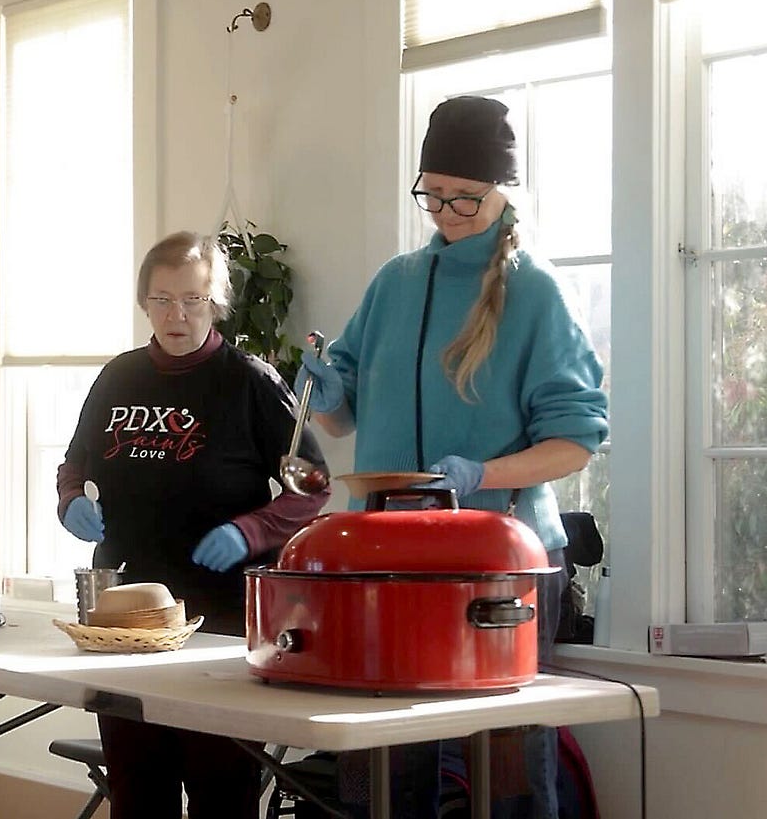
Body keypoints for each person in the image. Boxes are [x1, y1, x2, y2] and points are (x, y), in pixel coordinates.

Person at [296, 95, 610, 819]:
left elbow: (577, 439)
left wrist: (479, 475)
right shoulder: (393, 283)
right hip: (388, 564)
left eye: (464, 197)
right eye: (432, 194)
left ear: (505, 189)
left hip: (497, 563)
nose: (445, 211)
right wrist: (328, 387)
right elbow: (343, 422)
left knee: (508, 780)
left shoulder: (537, 292)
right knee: (381, 776)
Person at [57, 231, 330, 819]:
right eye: (161, 300)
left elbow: (313, 488)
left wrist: (250, 531)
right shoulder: (117, 379)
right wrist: (71, 500)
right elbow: (74, 464)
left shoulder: (250, 382)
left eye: (192, 300)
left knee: (220, 790)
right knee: (137, 790)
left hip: (222, 621)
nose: (176, 315)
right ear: (143, 302)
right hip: (124, 619)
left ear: (216, 304)